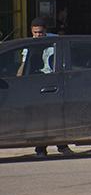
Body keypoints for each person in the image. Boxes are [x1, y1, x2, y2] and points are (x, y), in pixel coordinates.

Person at [28, 18, 72, 158]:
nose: (38, 35)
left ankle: (62, 146)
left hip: (54, 83)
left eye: (40, 32)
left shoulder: (55, 42)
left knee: (57, 116)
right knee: (42, 119)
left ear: (45, 31)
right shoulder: (30, 44)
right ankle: (41, 149)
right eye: (35, 33)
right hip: (38, 84)